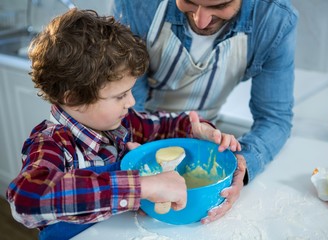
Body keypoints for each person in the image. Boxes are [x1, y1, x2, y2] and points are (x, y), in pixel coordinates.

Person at [6, 8, 243, 240]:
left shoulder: (123, 124)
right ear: (74, 98)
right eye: (119, 96)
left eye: (129, 91)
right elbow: (26, 199)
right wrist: (142, 186)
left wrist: (198, 129)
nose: (131, 102)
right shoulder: (51, 142)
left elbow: (166, 125)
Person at [114, 0, 298, 223]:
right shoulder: (137, 5)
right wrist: (136, 170)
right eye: (189, 2)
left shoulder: (274, 20)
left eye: (220, 6)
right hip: (140, 133)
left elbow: (274, 119)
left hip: (202, 133)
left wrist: (243, 163)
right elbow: (128, 109)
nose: (201, 21)